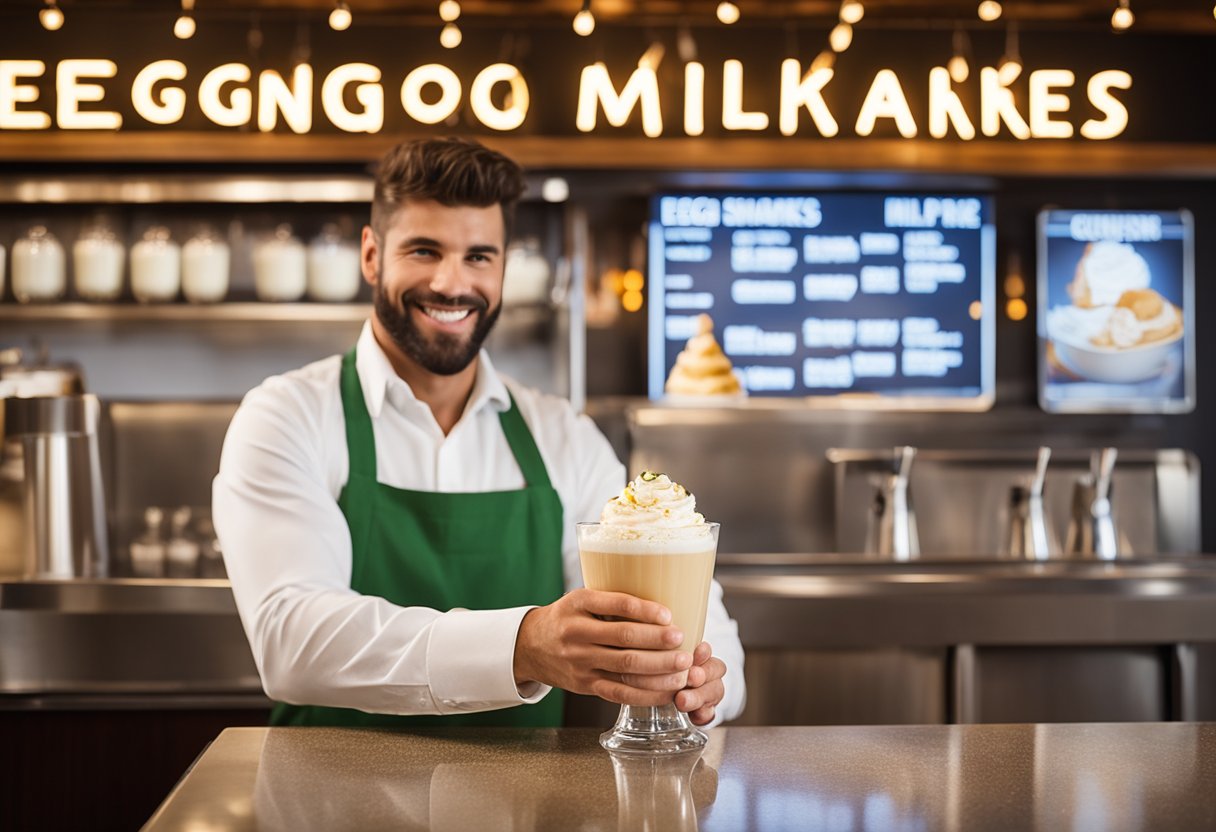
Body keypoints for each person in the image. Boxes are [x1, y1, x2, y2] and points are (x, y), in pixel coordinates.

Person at [213, 136, 745, 728]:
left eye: (479, 256)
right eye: (423, 250)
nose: (451, 283)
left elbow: (702, 627)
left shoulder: (563, 436)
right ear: (371, 255)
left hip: (527, 815)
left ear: (503, 268)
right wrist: (522, 644)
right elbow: (294, 642)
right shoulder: (286, 418)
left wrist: (703, 681)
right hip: (329, 808)